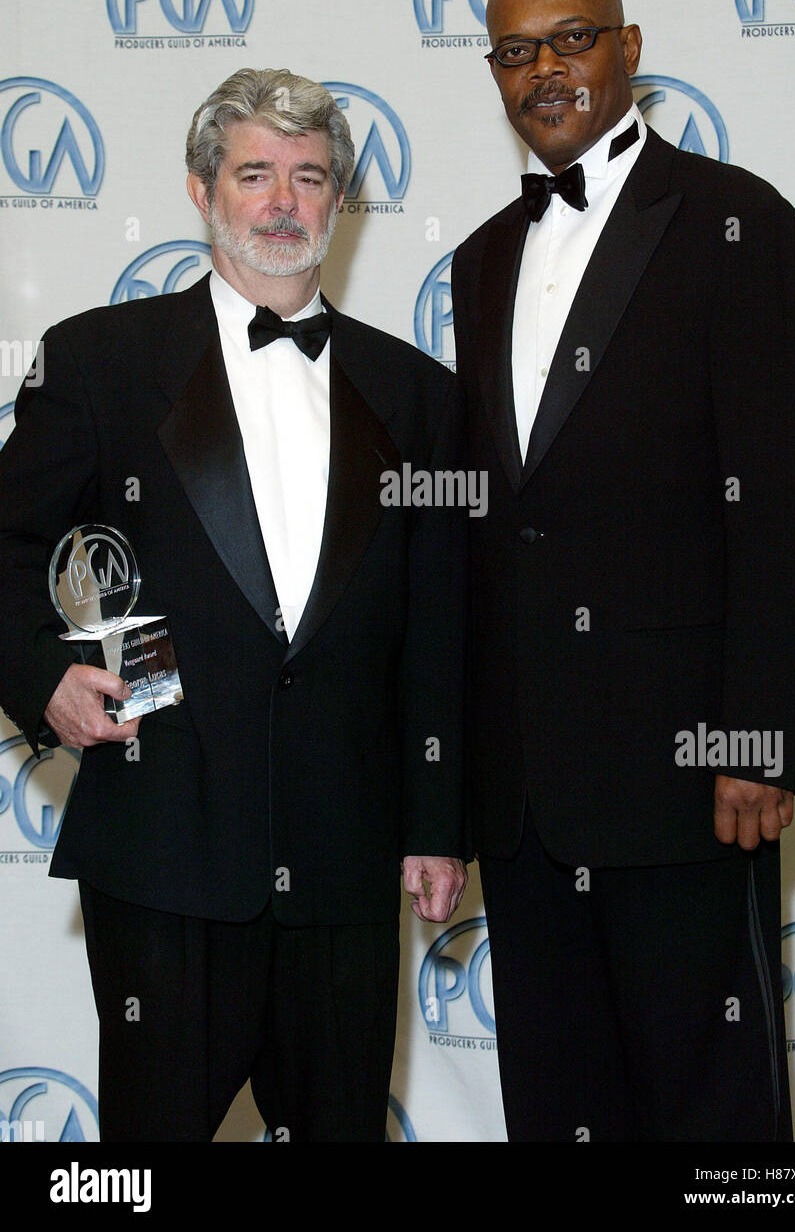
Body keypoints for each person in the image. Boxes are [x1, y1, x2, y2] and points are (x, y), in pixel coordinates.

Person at [0, 67, 467, 1142]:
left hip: (345, 868)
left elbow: (436, 627)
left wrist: (434, 824)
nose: (281, 202)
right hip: (163, 850)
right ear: (201, 191)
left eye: (308, 177)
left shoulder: (417, 396)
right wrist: (42, 674)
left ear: (339, 203)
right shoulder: (100, 363)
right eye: (253, 173)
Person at [450, 0, 795, 1142]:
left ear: (626, 45)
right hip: (524, 792)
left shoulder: (736, 219)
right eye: (516, 52)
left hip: (686, 777)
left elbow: (777, 500)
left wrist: (755, 736)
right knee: (558, 1109)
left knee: (709, 1114)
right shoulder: (479, 259)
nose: (543, 70)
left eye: (569, 39)